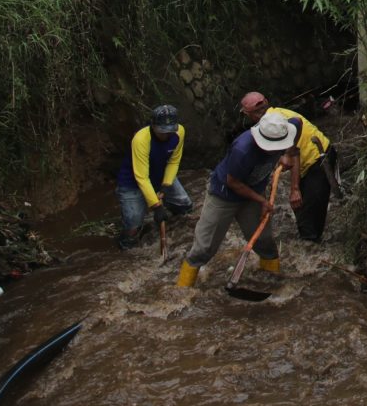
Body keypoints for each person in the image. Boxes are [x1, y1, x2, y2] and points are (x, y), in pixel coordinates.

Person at [176, 110, 298, 287]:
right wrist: (262, 201)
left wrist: (289, 152)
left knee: (264, 241)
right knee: (204, 247)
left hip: (253, 194)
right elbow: (233, 183)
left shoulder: (286, 128)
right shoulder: (242, 150)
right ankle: (182, 291)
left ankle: (272, 284)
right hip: (224, 195)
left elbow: (298, 123)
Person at [240, 92, 338, 243]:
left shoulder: (274, 123)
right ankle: (307, 240)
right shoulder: (275, 116)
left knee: (310, 221)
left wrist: (294, 189)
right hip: (314, 158)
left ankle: (311, 245)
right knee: (300, 208)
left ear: (248, 114)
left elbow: (294, 153)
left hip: (318, 159)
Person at [115, 104, 191, 250]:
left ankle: (177, 233)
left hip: (161, 174)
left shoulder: (179, 132)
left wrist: (166, 185)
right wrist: (156, 207)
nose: (166, 135)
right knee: (133, 226)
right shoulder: (141, 139)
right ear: (153, 125)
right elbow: (142, 177)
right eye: (162, 131)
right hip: (133, 182)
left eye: (169, 131)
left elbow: (174, 161)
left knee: (184, 206)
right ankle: (126, 248)